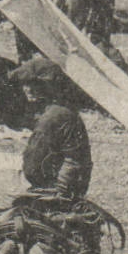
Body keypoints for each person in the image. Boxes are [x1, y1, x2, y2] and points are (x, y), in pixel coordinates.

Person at [8, 57, 91, 200]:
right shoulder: (63, 109)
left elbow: (31, 169)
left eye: (35, 84)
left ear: (49, 86)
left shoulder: (51, 118)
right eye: (25, 84)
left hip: (58, 189)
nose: (27, 89)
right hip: (74, 181)